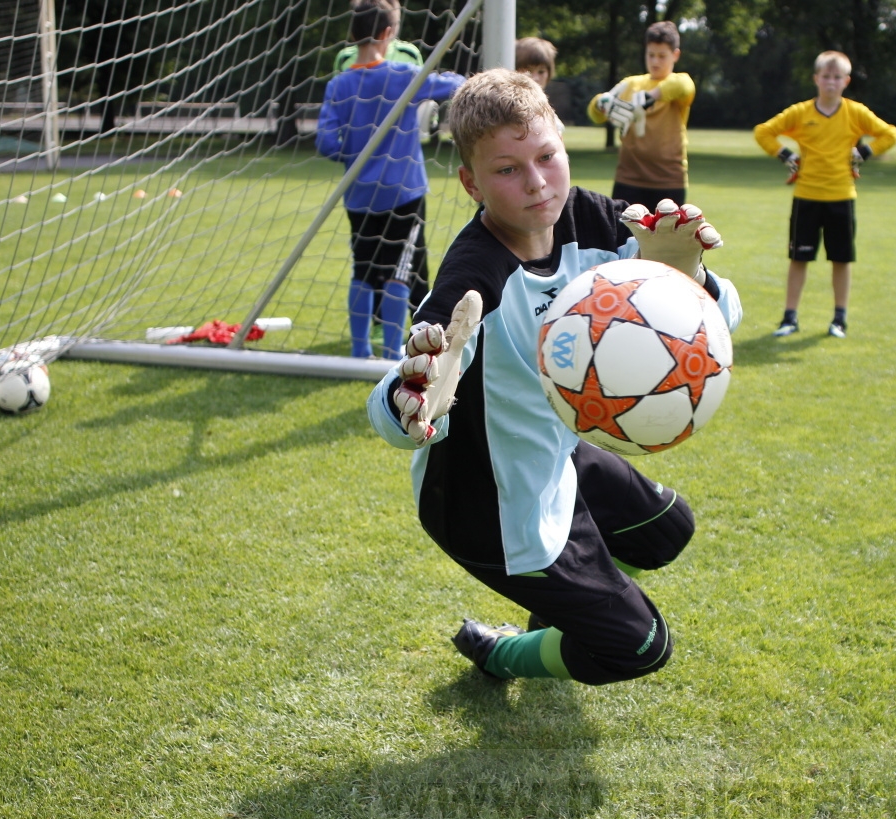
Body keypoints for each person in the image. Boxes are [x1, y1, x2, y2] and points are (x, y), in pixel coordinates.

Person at [365, 69, 742, 685]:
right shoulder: (471, 278)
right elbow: (396, 407)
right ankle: (500, 652)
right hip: (487, 499)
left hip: (555, 452)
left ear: (564, 145)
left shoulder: (602, 223)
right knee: (640, 647)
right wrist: (410, 396)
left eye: (546, 156)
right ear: (471, 183)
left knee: (665, 532)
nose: (537, 182)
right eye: (508, 170)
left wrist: (692, 281)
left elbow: (722, 325)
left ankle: (570, 608)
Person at [316, 0, 464, 359]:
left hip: (359, 195)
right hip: (404, 191)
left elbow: (324, 142)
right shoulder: (402, 75)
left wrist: (353, 156)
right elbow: (453, 86)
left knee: (363, 270)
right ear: (388, 34)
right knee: (399, 271)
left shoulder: (339, 84)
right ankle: (391, 353)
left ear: (352, 35)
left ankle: (358, 349)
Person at [753, 50, 896, 339]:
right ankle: (789, 317)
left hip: (842, 197)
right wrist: (785, 154)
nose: (830, 82)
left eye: (836, 77)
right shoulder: (801, 112)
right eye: (825, 77)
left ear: (846, 81)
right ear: (816, 79)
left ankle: (839, 319)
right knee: (799, 258)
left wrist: (864, 152)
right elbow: (763, 132)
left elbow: (890, 134)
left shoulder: (855, 112)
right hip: (806, 196)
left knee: (841, 260)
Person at [586, 20, 695, 208]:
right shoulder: (631, 84)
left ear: (675, 55)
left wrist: (650, 97)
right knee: (623, 237)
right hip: (628, 180)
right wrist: (599, 104)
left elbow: (684, 86)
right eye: (651, 54)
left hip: (669, 181)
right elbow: (596, 115)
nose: (655, 61)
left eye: (662, 56)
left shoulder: (678, 83)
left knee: (665, 237)